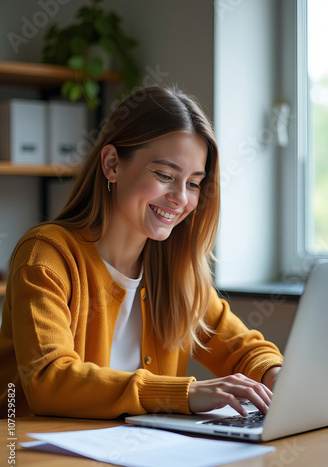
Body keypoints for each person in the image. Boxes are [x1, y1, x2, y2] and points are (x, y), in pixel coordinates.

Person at [0, 85, 283, 419]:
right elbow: (49, 380)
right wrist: (185, 393)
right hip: (40, 461)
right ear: (112, 165)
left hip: (138, 460)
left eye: (193, 183)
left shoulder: (175, 272)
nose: (180, 198)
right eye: (165, 175)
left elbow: (243, 349)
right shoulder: (46, 256)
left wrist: (278, 379)